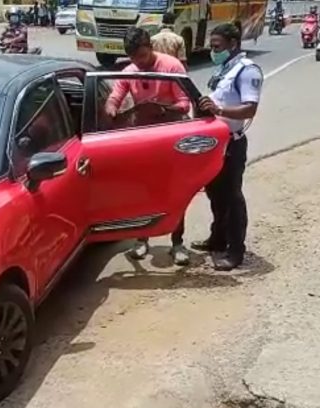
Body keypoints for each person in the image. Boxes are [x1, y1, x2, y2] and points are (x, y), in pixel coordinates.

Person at [105, 27, 191, 265]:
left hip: (171, 136)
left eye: (142, 56)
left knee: (176, 192)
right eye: (133, 58)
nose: (139, 62)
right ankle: (142, 240)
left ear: (150, 48)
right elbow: (115, 95)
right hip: (143, 139)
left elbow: (185, 103)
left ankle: (177, 243)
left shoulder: (172, 67)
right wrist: (111, 108)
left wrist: (164, 109)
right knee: (143, 192)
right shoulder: (130, 71)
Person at [195, 23, 264, 271]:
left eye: (217, 46)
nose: (213, 51)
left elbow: (250, 108)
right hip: (216, 143)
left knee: (232, 197)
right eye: (212, 46)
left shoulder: (247, 71)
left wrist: (219, 110)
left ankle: (236, 251)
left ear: (233, 44)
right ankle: (218, 239)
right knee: (215, 194)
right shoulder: (227, 68)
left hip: (232, 144)